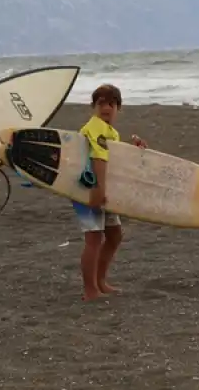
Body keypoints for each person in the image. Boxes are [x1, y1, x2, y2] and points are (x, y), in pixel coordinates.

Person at [74, 83, 147, 301]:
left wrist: (135, 150)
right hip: (87, 187)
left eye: (111, 104)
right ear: (93, 106)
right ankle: (90, 290)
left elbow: (114, 161)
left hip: (104, 188)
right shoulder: (95, 127)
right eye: (101, 103)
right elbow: (98, 158)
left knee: (114, 235)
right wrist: (99, 190)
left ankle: (101, 281)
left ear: (119, 108)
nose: (106, 107)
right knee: (94, 238)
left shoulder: (111, 132)